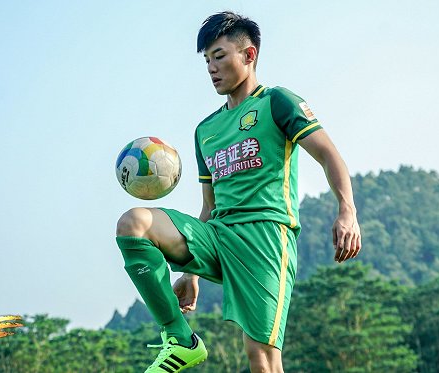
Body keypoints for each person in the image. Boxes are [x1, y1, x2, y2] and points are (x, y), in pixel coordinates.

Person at [116, 11, 361, 373]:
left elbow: (329, 155)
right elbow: (209, 204)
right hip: (217, 235)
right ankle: (180, 341)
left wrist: (347, 210)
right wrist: (191, 274)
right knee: (133, 222)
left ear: (249, 56)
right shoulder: (206, 130)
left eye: (219, 56)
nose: (212, 68)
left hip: (265, 236)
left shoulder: (277, 102)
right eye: (206, 61)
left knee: (261, 359)